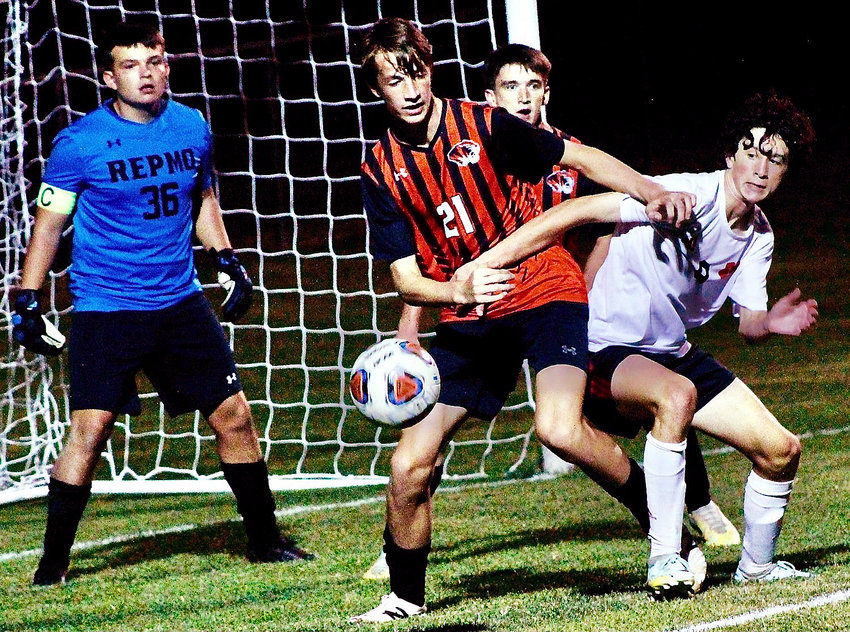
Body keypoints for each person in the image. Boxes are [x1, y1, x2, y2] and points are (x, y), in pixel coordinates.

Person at [351, 18, 696, 622]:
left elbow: (578, 155)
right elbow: (404, 278)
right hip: (471, 308)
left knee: (558, 429)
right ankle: (403, 598)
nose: (407, 90)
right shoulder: (380, 168)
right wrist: (451, 287)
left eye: (416, 74)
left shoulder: (486, 125)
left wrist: (648, 189)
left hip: (544, 285)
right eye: (390, 81)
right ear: (374, 89)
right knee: (408, 466)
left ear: (431, 70)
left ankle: (670, 530)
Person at [466, 91, 818, 592]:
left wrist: (772, 323)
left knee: (781, 449)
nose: (760, 167)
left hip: (671, 351)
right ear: (730, 154)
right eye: (751, 151)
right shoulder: (682, 197)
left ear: (787, 171)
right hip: (608, 344)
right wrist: (487, 264)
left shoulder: (759, 235)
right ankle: (665, 558)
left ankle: (757, 566)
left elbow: (748, 323)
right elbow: (578, 212)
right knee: (675, 396)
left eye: (776, 158)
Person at [11, 21, 311, 586]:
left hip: (179, 302)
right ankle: (52, 565)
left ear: (167, 67)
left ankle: (267, 542)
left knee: (235, 416)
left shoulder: (191, 126)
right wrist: (28, 298)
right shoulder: (80, 144)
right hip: (107, 307)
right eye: (130, 65)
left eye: (154, 62)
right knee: (90, 430)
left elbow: (202, 195)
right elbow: (49, 226)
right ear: (109, 76)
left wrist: (226, 258)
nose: (145, 74)